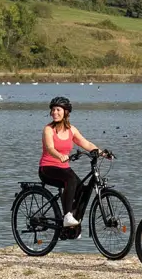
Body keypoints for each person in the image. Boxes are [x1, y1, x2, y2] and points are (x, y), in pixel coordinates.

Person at [40, 96, 108, 235]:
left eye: (58, 110)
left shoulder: (71, 130)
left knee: (82, 190)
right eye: (53, 110)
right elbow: (50, 148)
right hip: (47, 168)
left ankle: (72, 226)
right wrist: (59, 155)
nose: (54, 112)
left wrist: (102, 153)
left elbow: (86, 143)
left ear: (65, 112)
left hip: (64, 168)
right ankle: (67, 216)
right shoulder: (48, 129)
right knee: (70, 180)